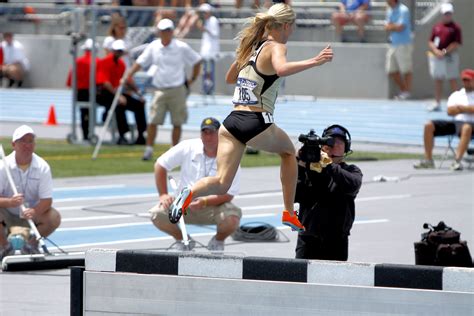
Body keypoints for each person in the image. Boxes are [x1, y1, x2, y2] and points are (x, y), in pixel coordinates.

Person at [168, 3, 333, 232]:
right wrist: (315, 61)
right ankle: (288, 212)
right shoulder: (277, 46)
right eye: (292, 27)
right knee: (288, 153)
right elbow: (282, 69)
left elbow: (229, 78)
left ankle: (189, 192)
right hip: (256, 120)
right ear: (285, 26)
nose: (292, 32)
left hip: (231, 121)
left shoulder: (251, 46)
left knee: (222, 182)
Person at [149, 117, 242, 251]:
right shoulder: (188, 146)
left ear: (220, 135)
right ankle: (183, 239)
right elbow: (160, 165)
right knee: (156, 213)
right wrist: (163, 194)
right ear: (200, 134)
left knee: (232, 218)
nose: (208, 136)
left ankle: (218, 241)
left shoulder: (230, 156)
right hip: (183, 205)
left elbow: (229, 194)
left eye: (212, 132)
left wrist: (204, 202)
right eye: (205, 132)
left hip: (214, 206)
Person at [125, 18, 202, 160]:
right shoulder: (154, 46)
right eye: (162, 31)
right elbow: (141, 62)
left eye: (167, 30)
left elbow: (197, 60)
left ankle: (174, 151)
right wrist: (129, 74)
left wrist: (192, 79)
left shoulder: (181, 47)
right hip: (159, 88)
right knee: (153, 120)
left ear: (172, 32)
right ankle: (148, 150)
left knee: (177, 122)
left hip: (177, 88)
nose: (165, 33)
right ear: (159, 32)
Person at [294, 125, 362, 260]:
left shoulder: (351, 171)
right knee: (300, 279)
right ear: (322, 145)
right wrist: (299, 165)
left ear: (346, 148)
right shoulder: (309, 168)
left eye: (339, 143)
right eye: (329, 142)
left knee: (334, 280)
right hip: (308, 239)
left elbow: (352, 186)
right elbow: (295, 195)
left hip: (336, 241)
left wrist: (328, 165)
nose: (333, 146)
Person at [0, 125, 61, 259]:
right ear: (13, 144)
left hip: (32, 216)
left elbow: (47, 200)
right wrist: (10, 202)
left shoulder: (42, 167)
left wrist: (34, 211)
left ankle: (31, 245)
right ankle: (4, 246)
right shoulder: (3, 167)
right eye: (23, 141)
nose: (27, 145)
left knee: (54, 217)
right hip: (7, 215)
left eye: (30, 141)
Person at [414, 69, 474, 171]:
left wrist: (460, 108)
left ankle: (457, 161)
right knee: (428, 125)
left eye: (468, 80)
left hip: (471, 124)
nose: (466, 82)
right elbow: (450, 111)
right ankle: (428, 160)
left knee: (467, 127)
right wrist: (468, 109)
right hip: (456, 123)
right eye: (464, 80)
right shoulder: (456, 95)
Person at [96, 39, 147, 145]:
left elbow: (126, 80)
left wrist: (138, 94)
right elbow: (105, 82)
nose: (119, 53)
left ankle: (141, 134)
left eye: (121, 51)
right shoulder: (104, 62)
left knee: (139, 104)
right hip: (105, 94)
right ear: (113, 50)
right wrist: (118, 96)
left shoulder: (121, 64)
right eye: (117, 51)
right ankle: (122, 135)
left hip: (117, 93)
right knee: (119, 105)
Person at [426, 2, 462, 112]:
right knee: (438, 79)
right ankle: (437, 102)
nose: (447, 15)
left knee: (452, 79)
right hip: (437, 57)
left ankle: (457, 104)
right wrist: (436, 51)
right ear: (442, 14)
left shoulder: (456, 28)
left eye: (449, 13)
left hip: (450, 57)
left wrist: (445, 52)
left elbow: (456, 43)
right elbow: (430, 41)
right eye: (446, 13)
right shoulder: (436, 27)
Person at [66, 39, 101, 141]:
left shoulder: (77, 61)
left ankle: (85, 135)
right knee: (91, 113)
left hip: (81, 92)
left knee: (84, 113)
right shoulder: (98, 62)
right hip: (94, 92)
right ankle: (90, 133)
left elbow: (70, 81)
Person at [384, 0, 413, 100]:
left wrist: (391, 26)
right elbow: (386, 26)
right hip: (393, 44)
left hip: (403, 43)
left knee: (406, 70)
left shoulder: (403, 10)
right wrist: (393, 26)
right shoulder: (389, 10)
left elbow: (400, 27)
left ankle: (406, 92)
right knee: (390, 70)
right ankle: (404, 90)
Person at [196, 3, 220, 95]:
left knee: (209, 71)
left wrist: (204, 28)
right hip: (206, 51)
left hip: (211, 51)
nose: (203, 14)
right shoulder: (205, 21)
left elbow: (215, 34)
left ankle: (210, 89)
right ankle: (206, 89)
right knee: (205, 71)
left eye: (204, 12)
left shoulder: (213, 20)